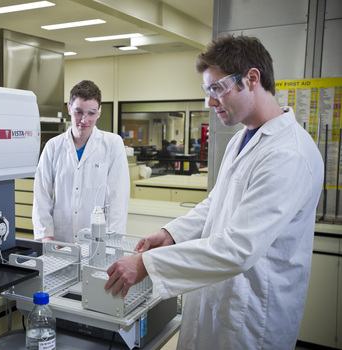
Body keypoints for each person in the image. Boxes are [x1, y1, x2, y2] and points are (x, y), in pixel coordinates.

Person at [104, 34, 323, 350]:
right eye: (207, 91)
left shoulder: (289, 154)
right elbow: (216, 204)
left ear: (251, 79)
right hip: (219, 300)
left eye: (216, 89)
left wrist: (147, 265)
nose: (209, 102)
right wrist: (172, 233)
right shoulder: (243, 138)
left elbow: (239, 248)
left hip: (251, 318)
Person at [32, 80, 130, 243]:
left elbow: (118, 198)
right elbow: (41, 196)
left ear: (99, 112)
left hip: (99, 240)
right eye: (78, 112)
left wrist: (114, 242)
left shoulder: (112, 144)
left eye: (91, 113)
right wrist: (46, 237)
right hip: (60, 240)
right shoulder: (53, 147)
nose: (84, 120)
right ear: (69, 108)